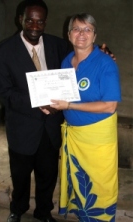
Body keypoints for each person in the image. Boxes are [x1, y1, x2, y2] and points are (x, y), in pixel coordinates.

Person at [0, 0, 116, 221]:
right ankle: (17, 209)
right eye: (30, 19)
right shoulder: (2, 52)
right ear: (20, 19)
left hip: (51, 126)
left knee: (47, 174)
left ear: (45, 22)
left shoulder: (58, 45)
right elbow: (4, 92)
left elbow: (85, 50)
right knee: (20, 175)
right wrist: (35, 102)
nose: (34, 25)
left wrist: (105, 52)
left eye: (40, 21)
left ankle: (43, 211)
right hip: (23, 126)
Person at [48, 13, 121, 222]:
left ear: (95, 35)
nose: (82, 34)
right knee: (80, 185)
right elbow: (63, 96)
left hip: (97, 141)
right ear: (69, 34)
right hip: (75, 138)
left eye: (87, 29)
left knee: (99, 187)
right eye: (77, 29)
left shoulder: (105, 64)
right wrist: (50, 106)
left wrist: (69, 105)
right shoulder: (66, 62)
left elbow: (109, 106)